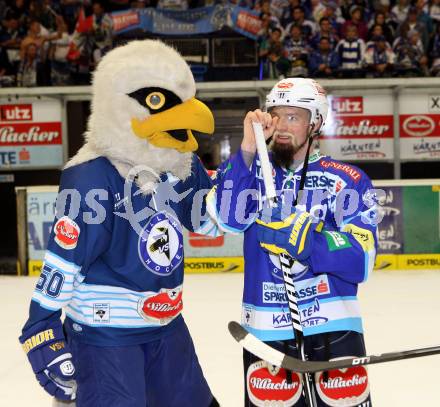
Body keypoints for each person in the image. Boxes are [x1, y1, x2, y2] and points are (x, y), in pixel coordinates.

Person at [19, 39, 219, 407]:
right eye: (159, 101)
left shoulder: (178, 163)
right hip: (105, 337)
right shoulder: (92, 177)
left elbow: (209, 221)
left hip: (168, 329)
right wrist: (42, 326)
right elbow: (65, 260)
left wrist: (248, 167)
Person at [207, 77, 379, 406]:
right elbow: (229, 219)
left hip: (334, 326)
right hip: (265, 331)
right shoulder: (250, 172)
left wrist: (309, 243)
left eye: (294, 117)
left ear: (316, 122)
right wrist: (246, 150)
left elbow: (363, 260)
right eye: (276, 115)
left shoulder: (347, 179)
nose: (282, 126)